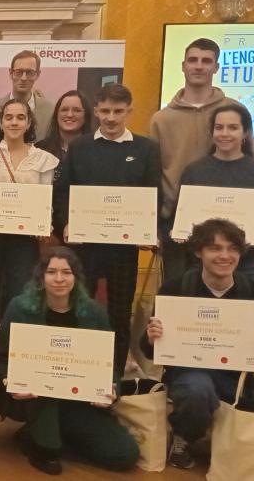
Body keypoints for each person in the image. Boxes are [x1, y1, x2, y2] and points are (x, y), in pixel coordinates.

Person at [141, 218, 254, 469]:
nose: (224, 256)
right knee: (197, 389)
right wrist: (152, 337)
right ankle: (184, 437)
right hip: (189, 375)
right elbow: (149, 351)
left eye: (232, 249)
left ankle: (213, 432)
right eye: (215, 248)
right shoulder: (175, 289)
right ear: (198, 252)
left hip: (236, 380)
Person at [0, 246, 139, 475]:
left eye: (66, 272)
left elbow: (108, 365)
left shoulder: (95, 313)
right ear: (41, 277)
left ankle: (41, 437)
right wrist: (7, 381)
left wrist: (112, 390)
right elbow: (1, 358)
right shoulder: (19, 308)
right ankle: (45, 444)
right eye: (51, 272)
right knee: (49, 454)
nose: (59, 279)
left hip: (77, 399)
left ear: (76, 277)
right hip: (34, 397)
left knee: (125, 455)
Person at [53, 84, 161, 376]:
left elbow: (153, 193)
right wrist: (65, 223)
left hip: (123, 249)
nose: (111, 118)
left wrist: (150, 229)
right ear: (96, 111)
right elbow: (63, 191)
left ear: (129, 111)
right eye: (105, 111)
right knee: (80, 308)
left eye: (118, 111)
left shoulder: (146, 148)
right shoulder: (80, 146)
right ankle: (79, 369)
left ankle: (113, 375)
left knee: (119, 313)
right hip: (84, 247)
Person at [151, 38, 244, 282]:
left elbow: (249, 162)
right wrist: (155, 224)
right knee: (178, 289)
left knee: (222, 291)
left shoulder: (234, 111)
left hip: (227, 217)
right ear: (183, 66)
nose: (199, 66)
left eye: (206, 61)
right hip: (174, 220)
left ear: (216, 67)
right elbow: (153, 174)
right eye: (193, 60)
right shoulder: (161, 119)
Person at [0, 99, 59, 318]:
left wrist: (43, 224)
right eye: (9, 117)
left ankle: (11, 338)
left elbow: (47, 200)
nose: (14, 122)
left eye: (20, 117)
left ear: (29, 123)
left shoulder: (44, 160)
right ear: (1, 123)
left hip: (24, 240)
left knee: (20, 293)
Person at [170, 104, 254, 284]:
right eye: (219, 127)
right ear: (212, 132)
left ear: (245, 132)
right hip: (202, 264)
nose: (224, 133)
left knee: (247, 303)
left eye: (233, 127)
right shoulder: (194, 171)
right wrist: (179, 230)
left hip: (250, 262)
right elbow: (179, 215)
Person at [0, 50, 56, 139]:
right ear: (11, 73)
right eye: (18, 72)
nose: (23, 78)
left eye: (30, 72)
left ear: (37, 74)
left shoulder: (51, 111)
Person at [36, 90, 94, 165]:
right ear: (56, 114)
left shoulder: (96, 150)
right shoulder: (40, 149)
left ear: (86, 115)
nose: (69, 115)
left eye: (77, 110)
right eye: (64, 110)